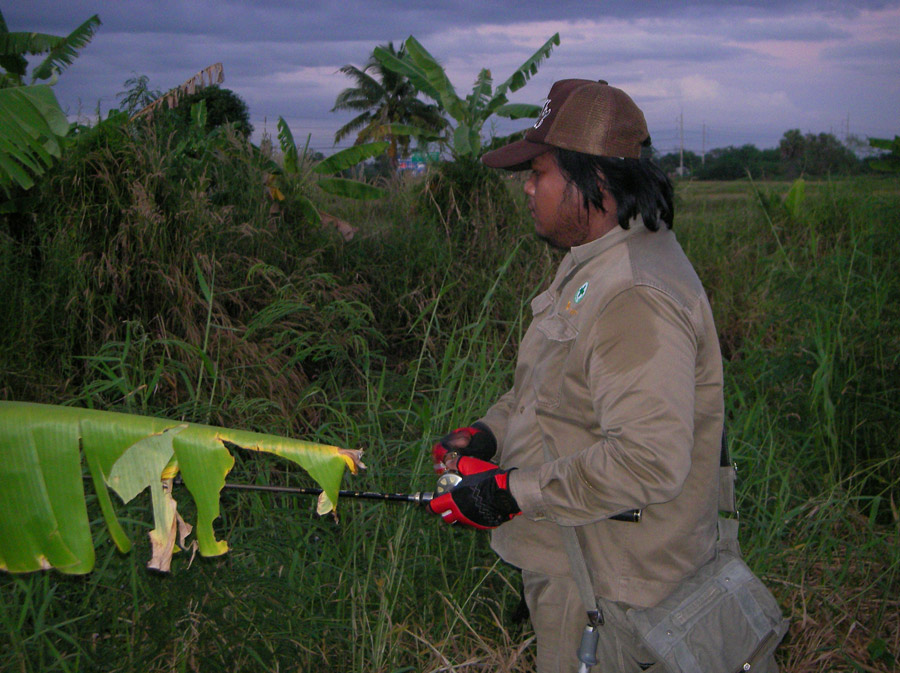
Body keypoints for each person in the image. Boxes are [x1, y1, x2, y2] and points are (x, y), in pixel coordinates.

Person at [427, 79, 745, 673]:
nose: (526, 187)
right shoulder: (593, 264)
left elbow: (647, 460)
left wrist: (507, 492)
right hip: (580, 565)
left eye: (538, 172)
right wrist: (489, 433)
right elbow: (550, 388)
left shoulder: (635, 295)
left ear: (594, 180)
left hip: (612, 594)